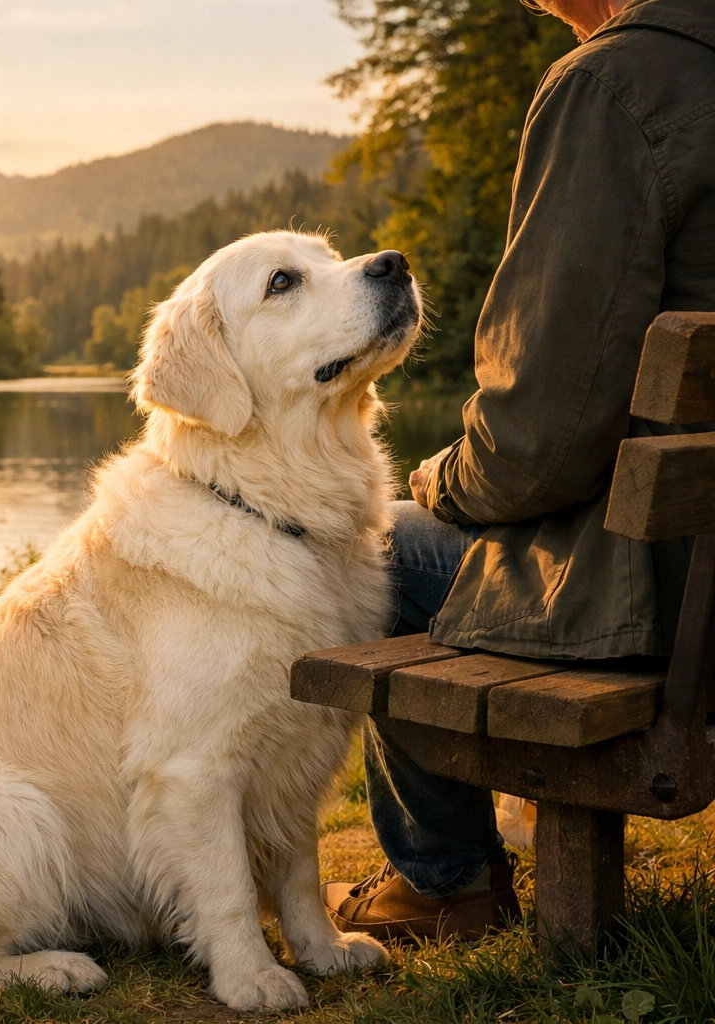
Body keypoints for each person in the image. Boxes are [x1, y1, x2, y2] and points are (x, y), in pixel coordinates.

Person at [322, 0, 715, 942]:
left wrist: (438, 479)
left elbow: (536, 443)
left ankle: (444, 879)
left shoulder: (612, 84)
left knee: (373, 547)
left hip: (679, 602)